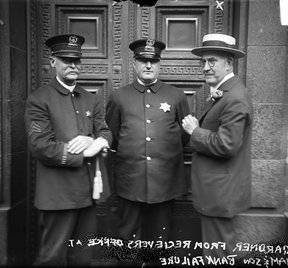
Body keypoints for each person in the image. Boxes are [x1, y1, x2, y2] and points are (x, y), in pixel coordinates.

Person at [25, 34, 112, 265]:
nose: (73, 65)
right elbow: (41, 146)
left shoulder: (90, 98)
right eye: (66, 60)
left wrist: (94, 141)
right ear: (53, 61)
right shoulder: (39, 99)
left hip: (88, 192)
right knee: (52, 257)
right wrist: (86, 151)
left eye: (77, 60)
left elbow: (105, 131)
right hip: (58, 195)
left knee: (82, 258)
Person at [106, 38, 190, 260]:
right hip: (130, 179)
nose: (148, 66)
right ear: (134, 63)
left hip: (164, 180)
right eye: (143, 61)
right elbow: (112, 137)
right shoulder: (119, 96)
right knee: (127, 236)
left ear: (159, 64)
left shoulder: (176, 95)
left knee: (162, 239)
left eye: (153, 61)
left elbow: (183, 135)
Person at [182, 33, 253, 259]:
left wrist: (195, 131)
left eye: (212, 61)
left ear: (229, 63)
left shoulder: (234, 97)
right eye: (203, 62)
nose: (205, 67)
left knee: (217, 255)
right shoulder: (225, 93)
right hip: (217, 190)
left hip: (220, 192)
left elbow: (226, 145)